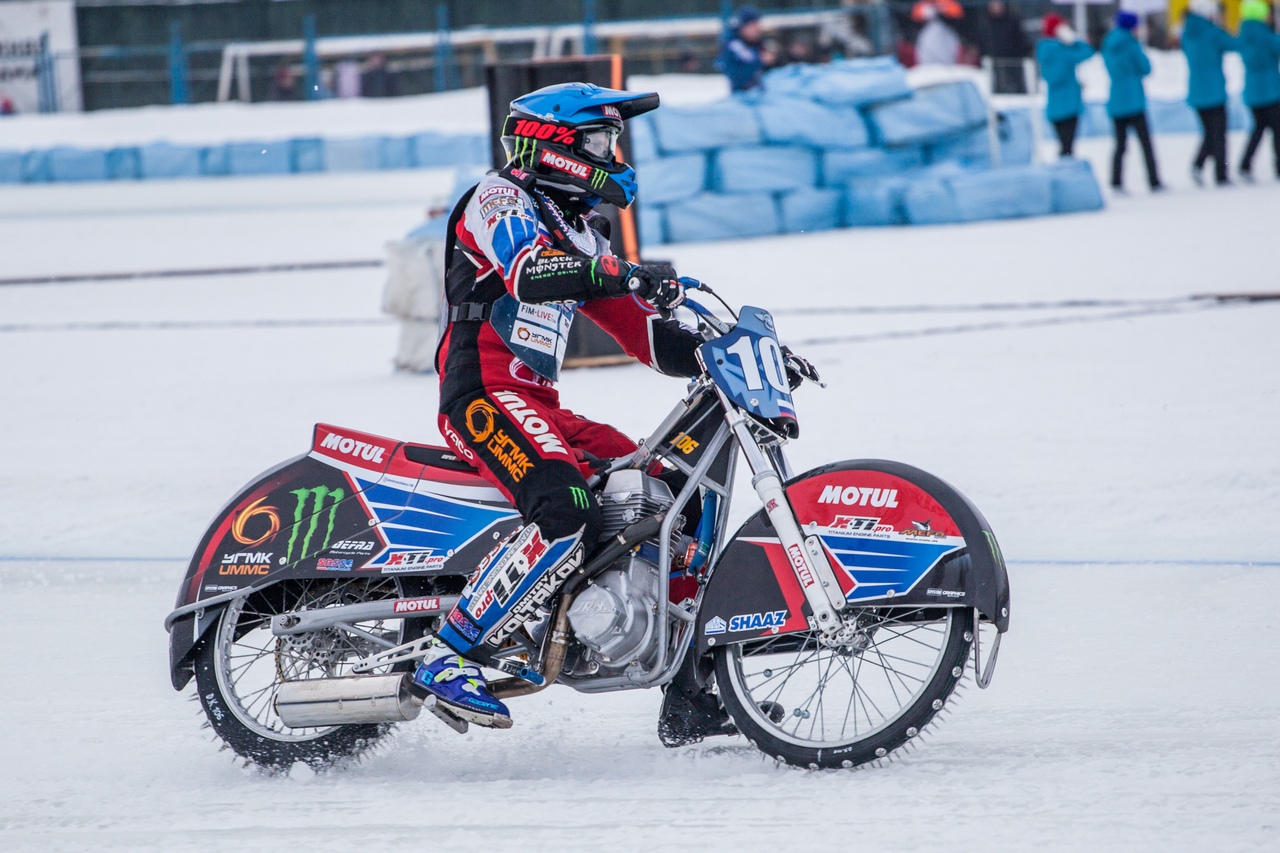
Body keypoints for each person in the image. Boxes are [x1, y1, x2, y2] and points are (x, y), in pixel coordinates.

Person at [412, 83, 784, 737]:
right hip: (482, 394)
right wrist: (623, 272)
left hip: (540, 404)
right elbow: (531, 271)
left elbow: (642, 335)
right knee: (566, 510)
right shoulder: (498, 198)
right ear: (558, 144)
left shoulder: (580, 230)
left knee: (675, 491)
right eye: (602, 140)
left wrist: (719, 353)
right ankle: (449, 653)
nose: (613, 152)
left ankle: (689, 691)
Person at [1103, 10, 1163, 192]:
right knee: (1146, 144)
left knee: (1120, 145)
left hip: (1116, 100)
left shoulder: (1108, 43)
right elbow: (1145, 67)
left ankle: (1116, 181)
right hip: (1134, 101)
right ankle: (1154, 181)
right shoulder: (1130, 43)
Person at [1182, 0, 1238, 185]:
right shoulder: (1212, 32)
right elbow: (1233, 43)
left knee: (1209, 133)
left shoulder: (1187, 33)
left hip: (1197, 91)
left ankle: (1198, 165)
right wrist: (1221, 25)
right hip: (1214, 91)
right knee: (1218, 133)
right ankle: (1221, 174)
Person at [1037, 14, 1094, 158]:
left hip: (1054, 107)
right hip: (1070, 105)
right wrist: (1073, 39)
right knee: (1068, 149)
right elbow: (1088, 52)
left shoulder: (1043, 50)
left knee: (1064, 147)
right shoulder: (1063, 51)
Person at [1238, 0, 1280, 179]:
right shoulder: (1265, 34)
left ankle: (1245, 163)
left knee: (1259, 127)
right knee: (1277, 129)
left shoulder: (1244, 34)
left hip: (1253, 91)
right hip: (1270, 90)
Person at [717, 6, 773, 91]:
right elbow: (737, 79)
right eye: (753, 26)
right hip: (741, 99)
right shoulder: (733, 46)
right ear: (744, 27)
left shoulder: (758, 43)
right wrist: (760, 61)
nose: (757, 30)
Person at [982, 1, 1031, 94]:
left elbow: (1021, 39)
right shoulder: (986, 23)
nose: (995, 7)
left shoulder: (1013, 20)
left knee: (1016, 87)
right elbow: (983, 42)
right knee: (998, 87)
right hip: (994, 62)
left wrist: (1025, 52)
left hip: (1013, 61)